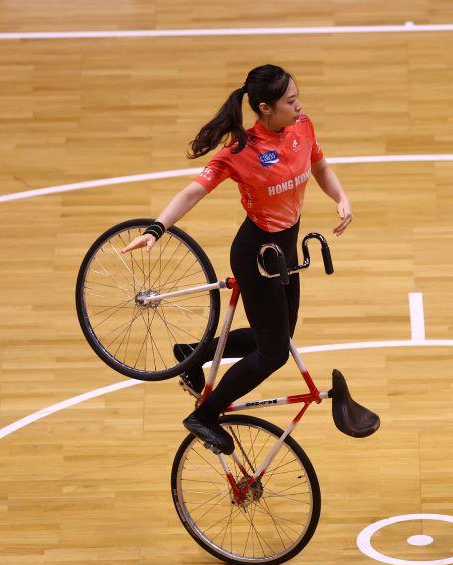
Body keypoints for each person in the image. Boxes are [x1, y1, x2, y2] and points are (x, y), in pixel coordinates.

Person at [121, 64, 354, 454]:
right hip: (257, 253)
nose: (299, 107)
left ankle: (191, 354)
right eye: (290, 101)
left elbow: (320, 165)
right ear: (265, 108)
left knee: (279, 335)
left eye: (298, 99)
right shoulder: (239, 153)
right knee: (273, 353)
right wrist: (155, 229)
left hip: (287, 250)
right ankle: (204, 416)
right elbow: (193, 192)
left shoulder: (303, 128)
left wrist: (341, 198)